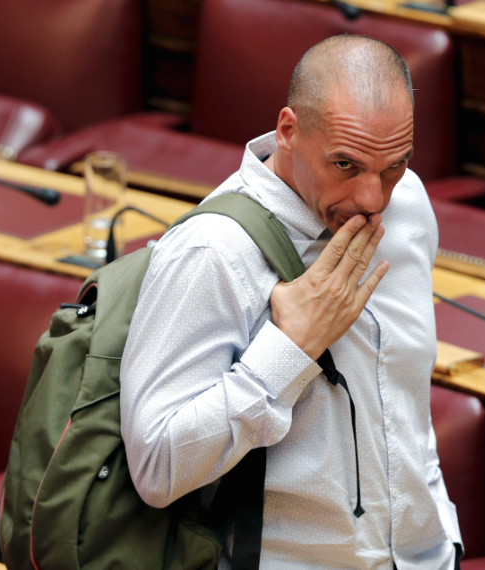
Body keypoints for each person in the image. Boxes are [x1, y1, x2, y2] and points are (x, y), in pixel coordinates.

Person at [120, 35, 462, 570]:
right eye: (345, 165)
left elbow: (403, 404)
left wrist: (444, 535)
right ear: (287, 131)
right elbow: (156, 467)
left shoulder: (409, 204)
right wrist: (288, 350)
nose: (373, 199)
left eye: (393, 166)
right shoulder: (213, 252)